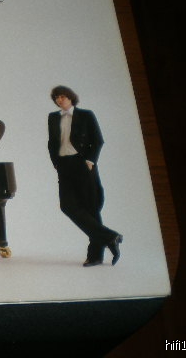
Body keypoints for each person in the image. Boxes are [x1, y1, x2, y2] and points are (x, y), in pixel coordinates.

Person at [47, 85, 122, 266]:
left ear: (71, 97)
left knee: (90, 208)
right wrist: (56, 162)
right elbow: (52, 142)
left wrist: (90, 160)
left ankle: (95, 256)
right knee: (67, 206)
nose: (59, 100)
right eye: (57, 97)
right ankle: (110, 237)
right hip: (64, 165)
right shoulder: (52, 117)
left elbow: (98, 140)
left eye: (62, 96)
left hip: (82, 164)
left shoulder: (86, 115)